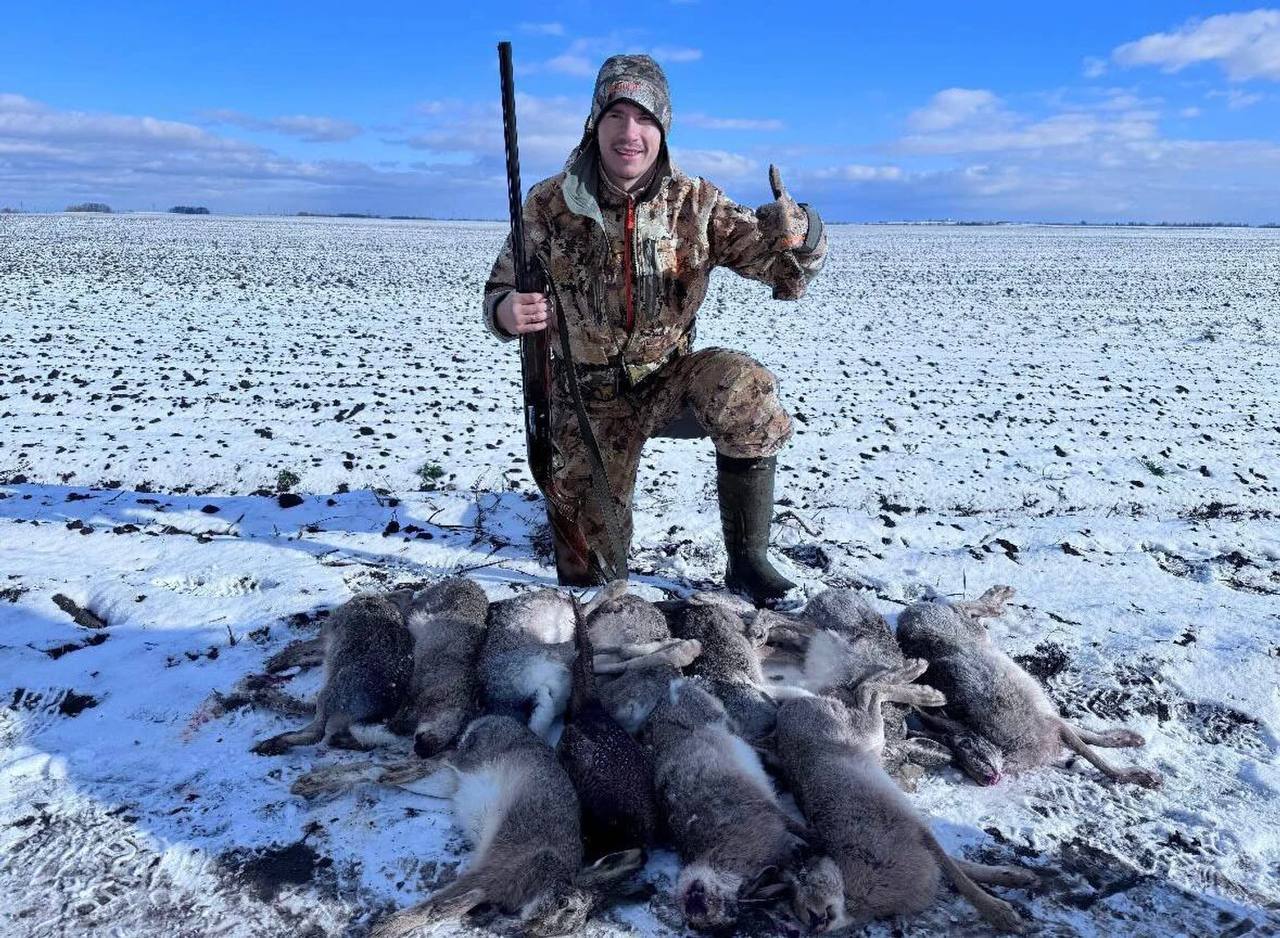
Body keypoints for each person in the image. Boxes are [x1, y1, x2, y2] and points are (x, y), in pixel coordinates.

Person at [483, 53, 826, 605]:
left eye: (645, 119)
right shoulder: (547, 204)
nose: (629, 133)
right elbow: (500, 290)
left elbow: (784, 271)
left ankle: (749, 562)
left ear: (663, 129)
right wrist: (507, 313)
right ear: (595, 122)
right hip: (583, 398)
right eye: (616, 115)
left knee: (746, 387)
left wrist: (801, 234)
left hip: (668, 381)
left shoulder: (697, 202)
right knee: (593, 583)